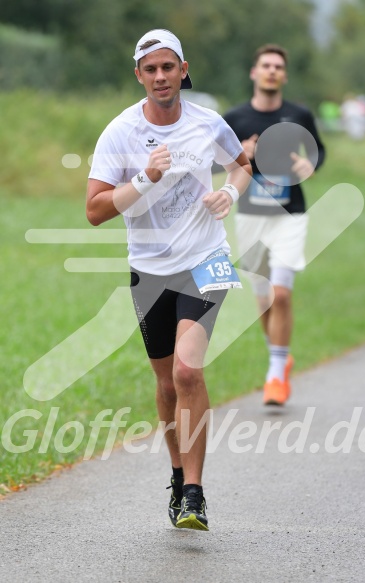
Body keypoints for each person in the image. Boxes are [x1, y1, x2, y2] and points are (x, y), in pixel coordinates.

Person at [86, 29, 252, 531]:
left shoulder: (208, 123)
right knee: (164, 383)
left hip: (207, 260)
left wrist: (231, 193)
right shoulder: (120, 133)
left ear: (183, 69)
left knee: (186, 371)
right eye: (150, 69)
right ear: (139, 75)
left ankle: (196, 494)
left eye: (168, 66)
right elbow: (94, 211)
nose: (160, 76)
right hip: (150, 270)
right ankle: (178, 478)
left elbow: (242, 165)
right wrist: (144, 180)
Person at [223, 44, 325, 406]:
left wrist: (309, 165)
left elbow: (318, 152)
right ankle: (281, 355)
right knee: (265, 299)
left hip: (290, 214)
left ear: (283, 75)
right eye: (265, 65)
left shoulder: (299, 114)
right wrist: (242, 156)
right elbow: (219, 162)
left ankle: (275, 374)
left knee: (281, 293)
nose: (271, 71)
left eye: (277, 66)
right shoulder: (234, 118)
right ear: (254, 72)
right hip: (250, 215)